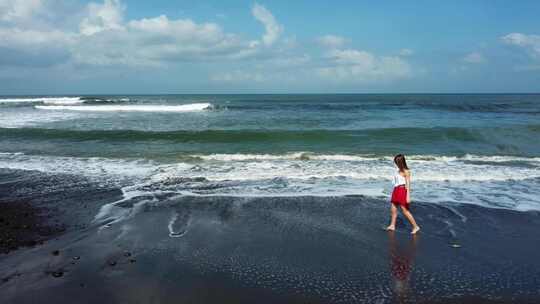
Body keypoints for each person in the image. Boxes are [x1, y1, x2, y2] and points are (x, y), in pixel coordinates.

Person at [386, 154, 420, 234]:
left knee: (405, 210)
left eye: (397, 162)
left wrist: (408, 196)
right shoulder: (398, 170)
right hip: (396, 190)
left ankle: (415, 226)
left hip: (402, 190)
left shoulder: (406, 171)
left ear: (401, 162)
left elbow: (408, 184)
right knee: (393, 209)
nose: (395, 163)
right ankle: (392, 225)